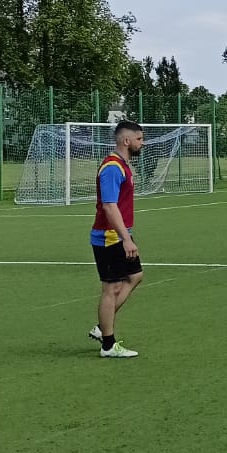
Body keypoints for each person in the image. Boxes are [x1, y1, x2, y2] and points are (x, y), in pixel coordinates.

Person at [88, 120, 144, 358]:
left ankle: (102, 326)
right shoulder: (112, 168)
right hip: (109, 237)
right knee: (111, 288)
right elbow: (110, 207)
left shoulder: (122, 165)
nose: (143, 143)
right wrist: (125, 238)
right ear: (126, 141)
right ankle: (108, 345)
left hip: (119, 234)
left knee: (135, 276)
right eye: (139, 139)